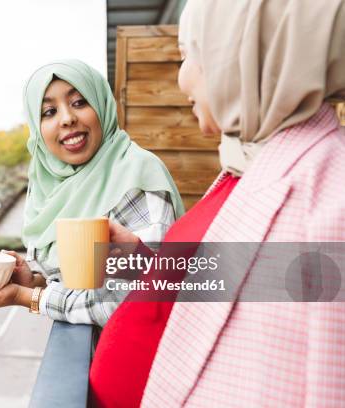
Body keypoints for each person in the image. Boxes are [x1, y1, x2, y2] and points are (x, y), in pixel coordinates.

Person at [89, 0, 345, 406]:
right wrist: (131, 257)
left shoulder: (329, 201)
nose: (182, 79)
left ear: (245, 56)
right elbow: (225, 280)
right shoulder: (254, 166)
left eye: (191, 55)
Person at [0, 60, 184, 326]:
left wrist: (30, 298)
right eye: (49, 111)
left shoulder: (136, 173)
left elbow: (139, 295)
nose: (67, 119)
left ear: (101, 105)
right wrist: (33, 279)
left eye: (79, 102)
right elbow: (80, 277)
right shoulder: (50, 184)